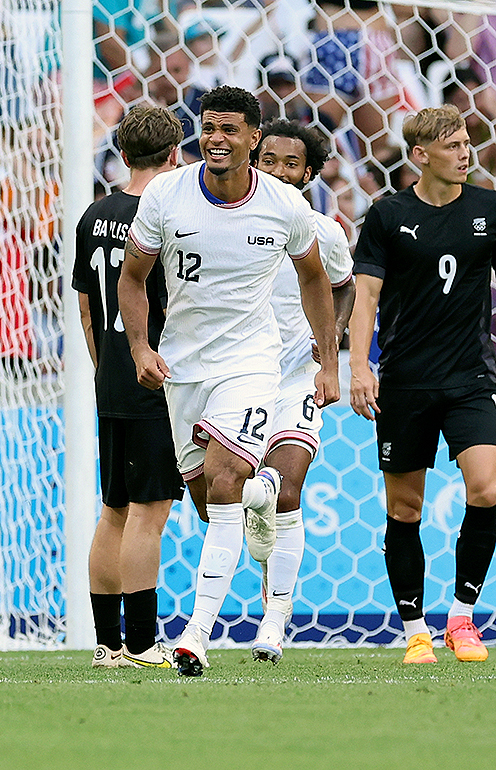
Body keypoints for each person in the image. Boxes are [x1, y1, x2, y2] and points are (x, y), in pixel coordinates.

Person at [118, 85, 340, 677]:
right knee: (210, 500)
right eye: (208, 128)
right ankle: (258, 511)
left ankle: (196, 634)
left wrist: (331, 361)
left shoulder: (285, 206)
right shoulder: (167, 193)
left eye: (230, 130)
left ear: (253, 137)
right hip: (183, 366)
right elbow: (133, 276)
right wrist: (140, 346)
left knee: (225, 479)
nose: (217, 139)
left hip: (253, 362)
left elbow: (318, 280)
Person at [348, 104, 496, 665]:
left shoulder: (487, 209)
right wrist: (360, 365)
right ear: (420, 155)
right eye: (454, 145)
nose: (465, 152)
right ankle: (415, 629)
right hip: (406, 381)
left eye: (466, 143)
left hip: (471, 377)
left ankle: (462, 618)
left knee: (488, 488)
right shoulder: (388, 216)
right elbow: (365, 296)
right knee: (405, 509)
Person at [74, 104, 185, 670]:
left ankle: (108, 643)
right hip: (155, 375)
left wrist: (104, 365)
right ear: (174, 155)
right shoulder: (166, 216)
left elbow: (88, 305)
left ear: (121, 153)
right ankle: (142, 642)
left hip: (111, 375)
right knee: (149, 510)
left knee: (115, 508)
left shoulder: (95, 214)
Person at [249, 118, 355, 663]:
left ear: (310, 173)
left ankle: (274, 620)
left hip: (296, 381)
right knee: (224, 500)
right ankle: (263, 578)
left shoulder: (326, 232)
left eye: (291, 164)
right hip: (235, 376)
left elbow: (345, 288)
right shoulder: (230, 223)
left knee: (283, 490)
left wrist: (331, 343)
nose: (279, 172)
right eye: (269, 160)